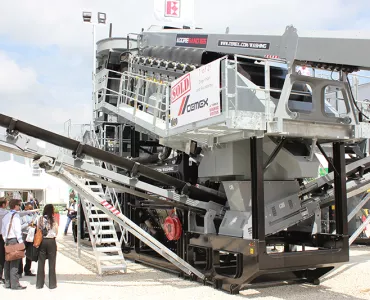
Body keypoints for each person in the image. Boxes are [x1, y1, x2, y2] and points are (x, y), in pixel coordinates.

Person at [1, 199, 26, 290]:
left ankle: (7, 283)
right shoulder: (16, 216)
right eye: (19, 205)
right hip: (14, 240)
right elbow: (17, 230)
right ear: (15, 206)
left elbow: (3, 231)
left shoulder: (6, 216)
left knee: (7, 262)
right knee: (15, 263)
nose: (20, 207)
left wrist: (5, 239)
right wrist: (21, 242)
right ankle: (15, 285)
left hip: (7, 240)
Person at [36, 204, 58, 289]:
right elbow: (56, 231)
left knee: (41, 262)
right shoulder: (54, 219)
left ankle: (39, 284)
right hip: (51, 241)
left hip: (42, 241)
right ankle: (52, 284)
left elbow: (38, 229)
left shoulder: (40, 219)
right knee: (52, 263)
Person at [18, 202, 37, 277]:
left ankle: (27, 270)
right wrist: (28, 224)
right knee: (21, 253)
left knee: (30, 253)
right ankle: (19, 271)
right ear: (25, 208)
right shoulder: (22, 216)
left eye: (31, 209)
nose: (30, 211)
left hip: (31, 235)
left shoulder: (34, 215)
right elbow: (20, 227)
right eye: (29, 209)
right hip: (24, 235)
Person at [0, 197, 9, 284]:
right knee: (2, 257)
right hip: (1, 237)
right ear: (3, 204)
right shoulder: (6, 213)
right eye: (6, 203)